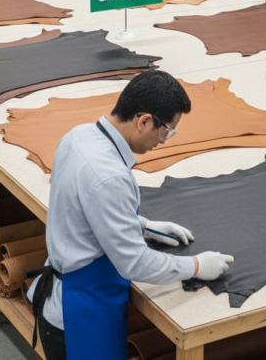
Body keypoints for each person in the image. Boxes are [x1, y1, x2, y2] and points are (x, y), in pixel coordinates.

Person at [28, 70, 233, 360]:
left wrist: (144, 226)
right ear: (144, 121)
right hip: (81, 316)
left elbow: (80, 210)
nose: (163, 141)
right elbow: (135, 263)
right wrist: (197, 265)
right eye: (167, 131)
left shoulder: (77, 136)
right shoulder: (110, 176)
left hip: (63, 300)